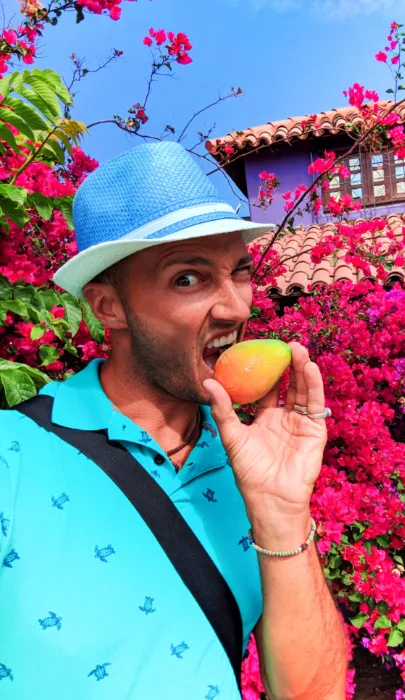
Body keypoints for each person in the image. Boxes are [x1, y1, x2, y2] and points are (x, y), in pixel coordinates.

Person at [0, 142, 349, 699]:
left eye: (239, 272)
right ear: (108, 307)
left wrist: (281, 513)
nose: (236, 307)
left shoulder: (246, 462)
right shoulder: (11, 455)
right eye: (189, 278)